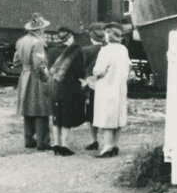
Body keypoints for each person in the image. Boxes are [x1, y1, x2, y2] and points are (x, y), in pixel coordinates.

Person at [88, 24, 131, 157]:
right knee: (118, 118)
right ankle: (115, 145)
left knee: (106, 118)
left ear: (109, 35)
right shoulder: (123, 49)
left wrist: (94, 74)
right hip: (120, 87)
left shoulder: (105, 50)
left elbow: (99, 70)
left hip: (106, 87)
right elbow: (128, 67)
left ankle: (107, 147)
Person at [11, 15, 53, 150]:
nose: (44, 31)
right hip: (36, 78)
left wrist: (26, 67)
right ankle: (43, 142)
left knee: (28, 107)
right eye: (43, 28)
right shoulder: (38, 43)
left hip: (25, 76)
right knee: (41, 108)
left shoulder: (21, 41)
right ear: (39, 30)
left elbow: (15, 61)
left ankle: (29, 139)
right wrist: (47, 77)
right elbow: (40, 64)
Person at [46, 27, 87, 156]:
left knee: (56, 115)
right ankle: (64, 146)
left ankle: (56, 144)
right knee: (66, 117)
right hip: (69, 88)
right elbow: (80, 72)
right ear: (70, 37)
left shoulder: (51, 51)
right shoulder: (76, 52)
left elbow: (49, 69)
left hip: (54, 87)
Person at [78, 22, 106, 151]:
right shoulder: (107, 50)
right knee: (104, 113)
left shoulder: (86, 50)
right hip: (106, 85)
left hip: (91, 86)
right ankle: (107, 141)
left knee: (92, 114)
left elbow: (81, 67)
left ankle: (94, 140)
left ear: (91, 37)